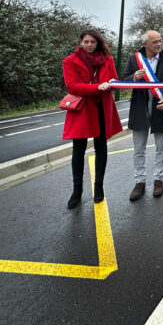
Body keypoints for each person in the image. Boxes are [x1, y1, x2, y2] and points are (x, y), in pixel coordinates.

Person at [61, 29, 123, 209]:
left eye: (92, 42)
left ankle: (98, 188)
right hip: (81, 109)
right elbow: (72, 86)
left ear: (98, 43)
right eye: (86, 41)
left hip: (102, 107)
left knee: (101, 147)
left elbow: (114, 82)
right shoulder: (69, 61)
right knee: (78, 150)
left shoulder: (107, 60)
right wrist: (97, 88)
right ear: (80, 42)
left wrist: (110, 85)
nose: (89, 45)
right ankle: (77, 190)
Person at [122, 31, 163, 201]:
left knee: (161, 148)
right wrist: (134, 77)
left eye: (160, 41)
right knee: (139, 150)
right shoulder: (134, 59)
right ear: (145, 44)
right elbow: (123, 79)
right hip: (139, 109)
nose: (159, 44)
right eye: (155, 42)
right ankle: (139, 182)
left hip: (161, 108)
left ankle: (158, 180)